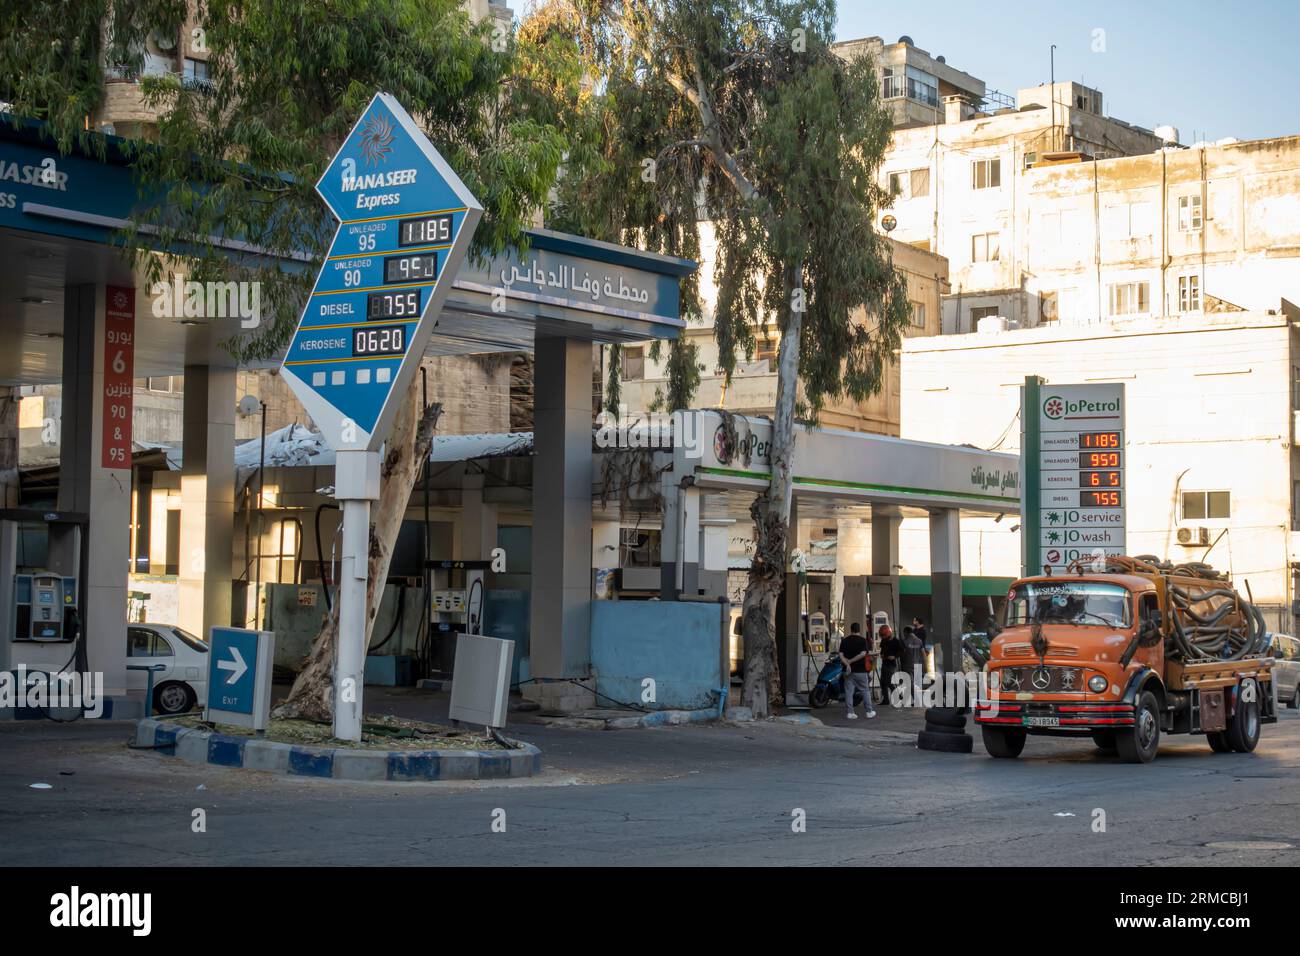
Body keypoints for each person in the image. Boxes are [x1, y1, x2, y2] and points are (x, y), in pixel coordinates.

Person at [838, 623, 876, 719]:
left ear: (851, 629)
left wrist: (847, 664)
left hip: (847, 670)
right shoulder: (863, 640)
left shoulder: (845, 640)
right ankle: (869, 711)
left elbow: (841, 655)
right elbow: (863, 654)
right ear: (859, 630)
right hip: (860, 670)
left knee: (849, 691)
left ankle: (850, 713)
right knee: (865, 690)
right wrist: (851, 661)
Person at [878, 624, 902, 707]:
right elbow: (882, 650)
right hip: (885, 663)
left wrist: (894, 656)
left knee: (889, 682)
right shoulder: (883, 641)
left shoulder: (896, 641)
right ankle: (886, 700)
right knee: (882, 682)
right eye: (882, 636)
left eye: (884, 635)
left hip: (891, 664)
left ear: (888, 633)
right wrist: (881, 654)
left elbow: (902, 651)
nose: (883, 637)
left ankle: (898, 697)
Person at [902, 625, 924, 694]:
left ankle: (915, 698)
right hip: (918, 664)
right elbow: (923, 654)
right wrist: (925, 666)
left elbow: (901, 653)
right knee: (917, 684)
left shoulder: (904, 641)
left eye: (904, 633)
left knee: (909, 683)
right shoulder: (919, 641)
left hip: (908, 665)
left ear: (906, 632)